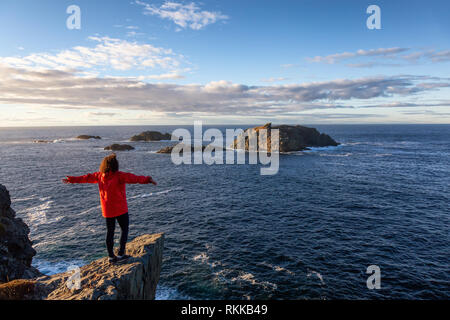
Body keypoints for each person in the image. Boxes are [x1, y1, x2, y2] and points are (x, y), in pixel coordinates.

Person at [62, 153, 157, 263]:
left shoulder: (99, 176)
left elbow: (85, 178)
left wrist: (72, 179)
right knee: (124, 230)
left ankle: (111, 257)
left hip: (108, 210)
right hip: (121, 209)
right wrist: (147, 179)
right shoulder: (119, 175)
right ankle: (121, 254)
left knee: (110, 232)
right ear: (115, 165)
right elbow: (134, 178)